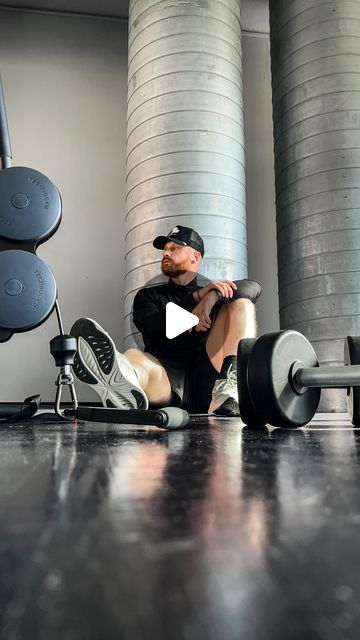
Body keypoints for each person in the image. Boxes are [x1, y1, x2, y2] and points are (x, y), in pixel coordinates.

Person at [71, 225, 261, 416]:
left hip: (210, 382)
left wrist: (212, 297)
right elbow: (150, 327)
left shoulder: (212, 292)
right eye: (165, 249)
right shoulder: (148, 295)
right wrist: (196, 297)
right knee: (134, 357)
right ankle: (123, 380)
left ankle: (229, 388)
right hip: (165, 379)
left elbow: (253, 288)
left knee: (241, 305)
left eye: (174, 248)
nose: (166, 253)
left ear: (195, 257)